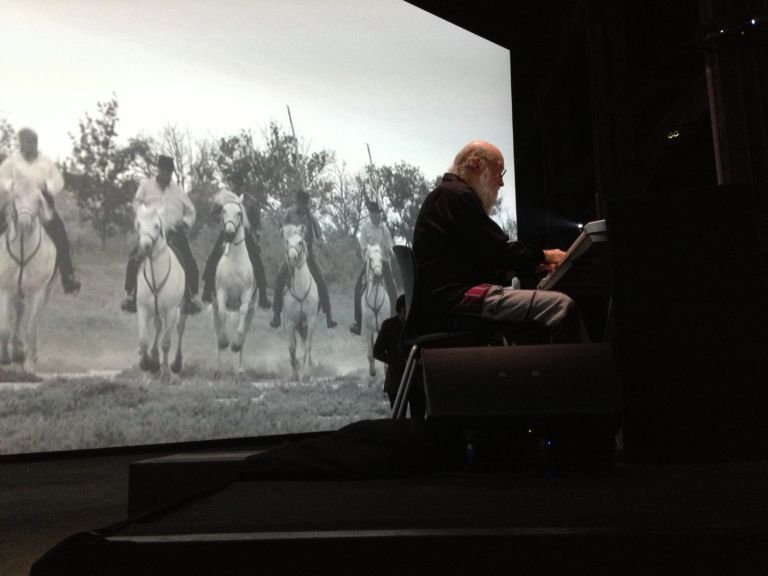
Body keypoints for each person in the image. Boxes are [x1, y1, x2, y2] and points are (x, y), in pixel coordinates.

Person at [412, 140, 583, 343]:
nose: (500, 183)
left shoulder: (446, 195)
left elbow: (482, 260)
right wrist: (546, 255)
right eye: (498, 173)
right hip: (455, 302)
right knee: (561, 306)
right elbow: (498, 251)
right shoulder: (457, 196)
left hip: (442, 302)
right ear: (476, 163)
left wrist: (534, 265)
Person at [0, 128, 81, 294]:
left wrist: (47, 187)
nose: (30, 145)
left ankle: (67, 276)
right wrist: (10, 186)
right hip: (16, 201)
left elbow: (58, 181)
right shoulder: (12, 162)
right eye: (26, 141)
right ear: (21, 143)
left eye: (32, 141)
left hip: (39, 202)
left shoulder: (46, 162)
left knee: (60, 234)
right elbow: (2, 177)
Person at [120, 155, 202, 315]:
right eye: (164, 171)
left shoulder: (178, 191)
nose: (167, 175)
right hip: (152, 232)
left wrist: (184, 222)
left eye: (169, 172)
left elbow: (191, 211)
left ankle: (190, 297)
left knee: (189, 261)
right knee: (134, 258)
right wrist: (143, 214)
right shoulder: (146, 186)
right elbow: (136, 202)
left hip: (173, 233)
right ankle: (131, 295)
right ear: (158, 170)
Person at [270, 189, 337, 329]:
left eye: (305, 203)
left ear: (307, 203)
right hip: (291, 253)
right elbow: (280, 227)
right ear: (297, 202)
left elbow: (319, 234)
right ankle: (276, 314)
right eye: (300, 202)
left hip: (308, 254)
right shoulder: (289, 213)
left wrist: (320, 240)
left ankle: (329, 316)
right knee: (279, 279)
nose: (302, 205)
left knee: (322, 282)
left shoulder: (311, 217)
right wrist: (283, 232)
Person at [200, 193, 271, 310]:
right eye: (235, 183)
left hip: (245, 235)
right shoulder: (225, 198)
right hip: (227, 232)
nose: (237, 186)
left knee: (256, 260)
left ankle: (263, 295)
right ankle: (208, 289)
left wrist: (256, 237)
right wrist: (220, 216)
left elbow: (256, 222)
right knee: (214, 256)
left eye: (240, 183)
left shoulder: (250, 201)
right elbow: (214, 214)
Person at [349, 200, 398, 336]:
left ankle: (396, 319)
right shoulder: (365, 228)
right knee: (358, 287)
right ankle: (358, 321)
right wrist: (368, 255)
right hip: (370, 262)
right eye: (371, 213)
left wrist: (390, 250)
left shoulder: (385, 230)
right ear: (369, 214)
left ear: (379, 214)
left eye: (375, 213)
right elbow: (363, 247)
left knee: (392, 290)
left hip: (383, 261)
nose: (373, 215)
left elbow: (389, 245)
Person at [372, 294, 412, 409]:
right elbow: (377, 352)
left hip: (417, 383)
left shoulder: (417, 324)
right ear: (400, 310)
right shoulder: (389, 325)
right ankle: (358, 319)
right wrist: (399, 361)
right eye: (404, 310)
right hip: (396, 381)